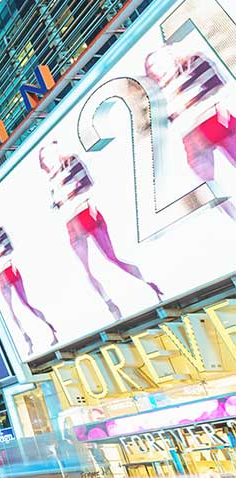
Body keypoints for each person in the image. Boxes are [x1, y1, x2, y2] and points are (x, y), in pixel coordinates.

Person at [38, 140, 163, 321]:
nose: (46, 159)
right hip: (71, 223)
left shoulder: (71, 161)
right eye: (43, 157)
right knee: (86, 270)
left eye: (48, 153)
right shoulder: (51, 181)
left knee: (111, 258)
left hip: (85, 213)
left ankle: (148, 284)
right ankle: (111, 305)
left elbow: (87, 184)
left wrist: (76, 201)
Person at [144, 43, 236, 221]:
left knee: (208, 177)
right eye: (150, 68)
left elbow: (222, 86)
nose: (154, 70)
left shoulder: (191, 62)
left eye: (154, 65)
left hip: (208, 122)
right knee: (206, 180)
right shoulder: (161, 92)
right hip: (200, 128)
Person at [0, 214, 58, 353]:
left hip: (10, 269)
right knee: (11, 311)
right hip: (1, 275)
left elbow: (10, 249)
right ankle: (27, 339)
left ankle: (50, 330)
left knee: (25, 303)